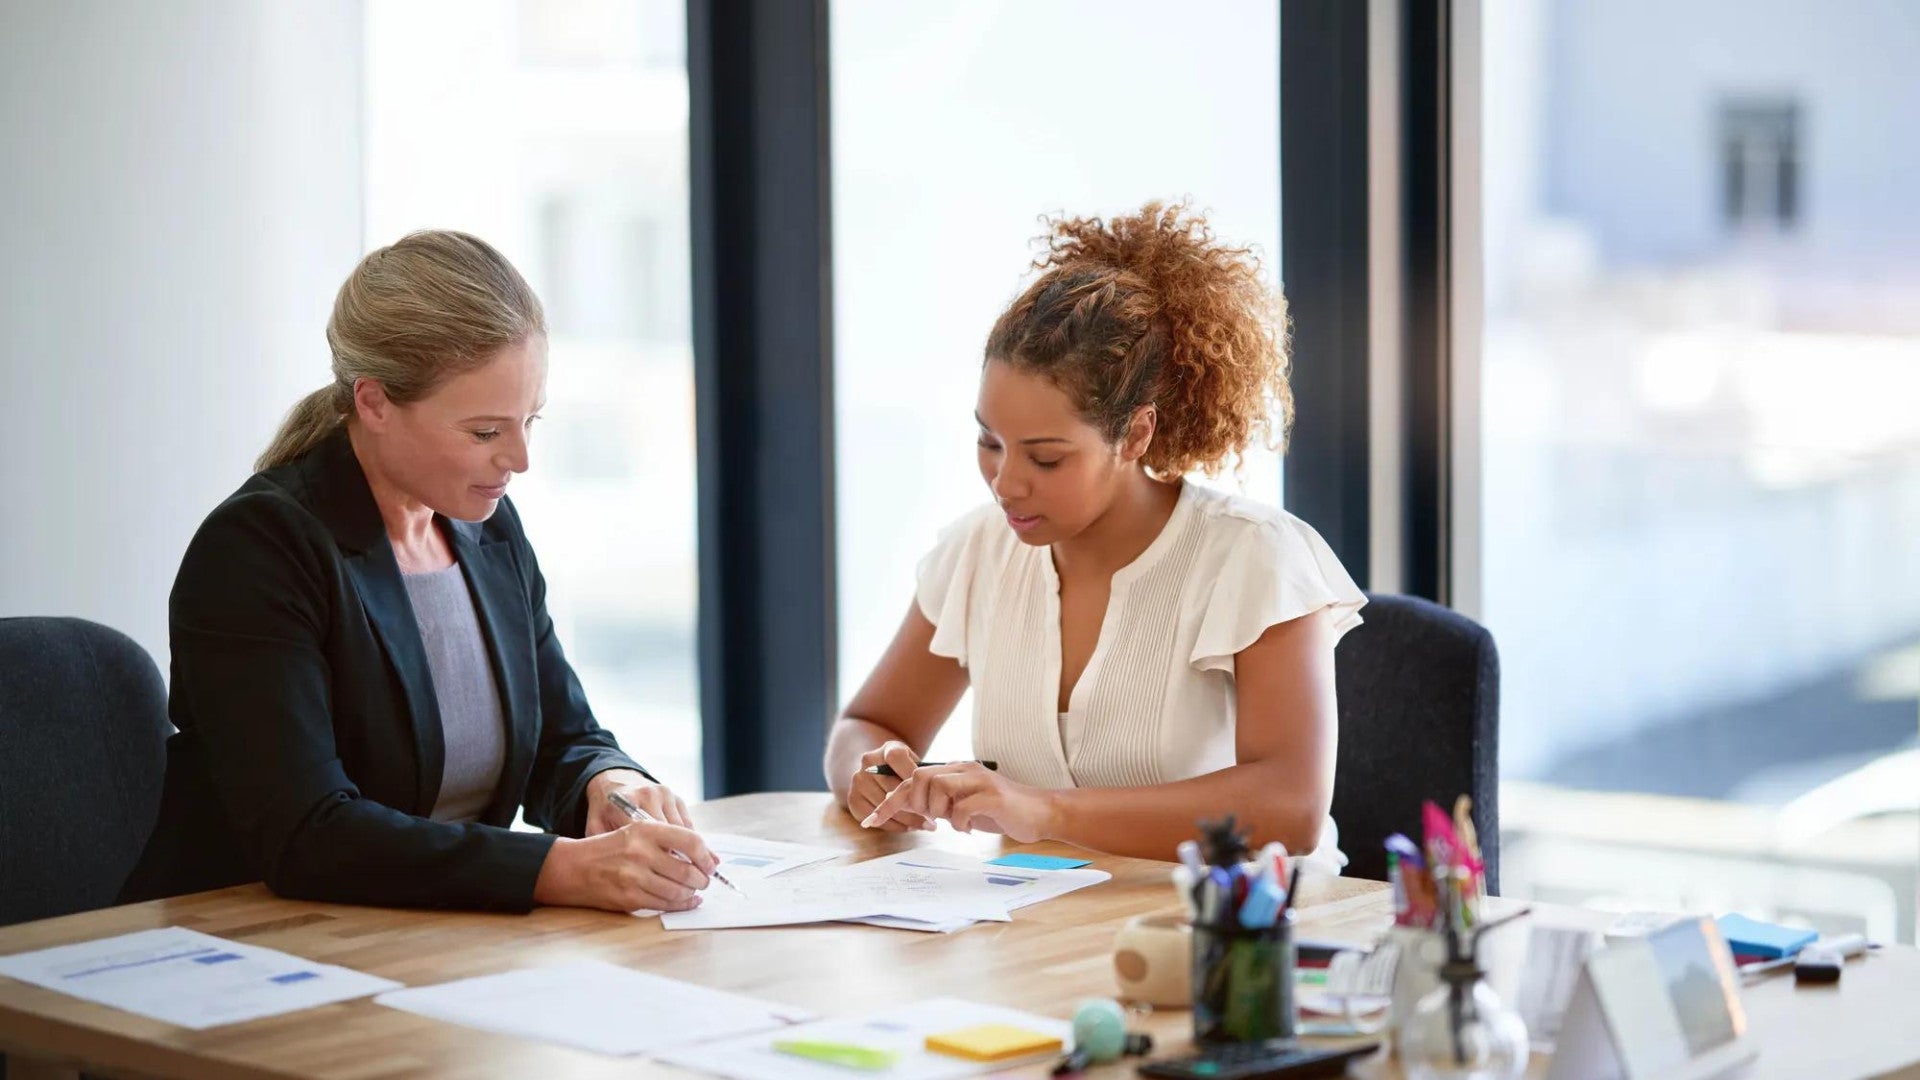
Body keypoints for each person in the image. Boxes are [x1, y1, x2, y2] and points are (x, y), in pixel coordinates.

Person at [121, 231, 717, 913]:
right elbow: (309, 835)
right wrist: (559, 870)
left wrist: (609, 785)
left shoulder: (485, 529)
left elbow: (564, 739)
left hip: (430, 942)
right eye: (486, 432)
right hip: (253, 947)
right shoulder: (259, 549)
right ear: (373, 403)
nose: (519, 459)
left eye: (531, 421)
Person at [826, 202, 1366, 864]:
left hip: (1235, 940)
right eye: (989, 442)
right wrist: (877, 773)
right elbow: (865, 725)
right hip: (1042, 937)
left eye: (1046, 457)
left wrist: (1042, 810)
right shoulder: (977, 552)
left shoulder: (1255, 559)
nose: (1006, 483)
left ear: (1135, 434)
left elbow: (1291, 807)